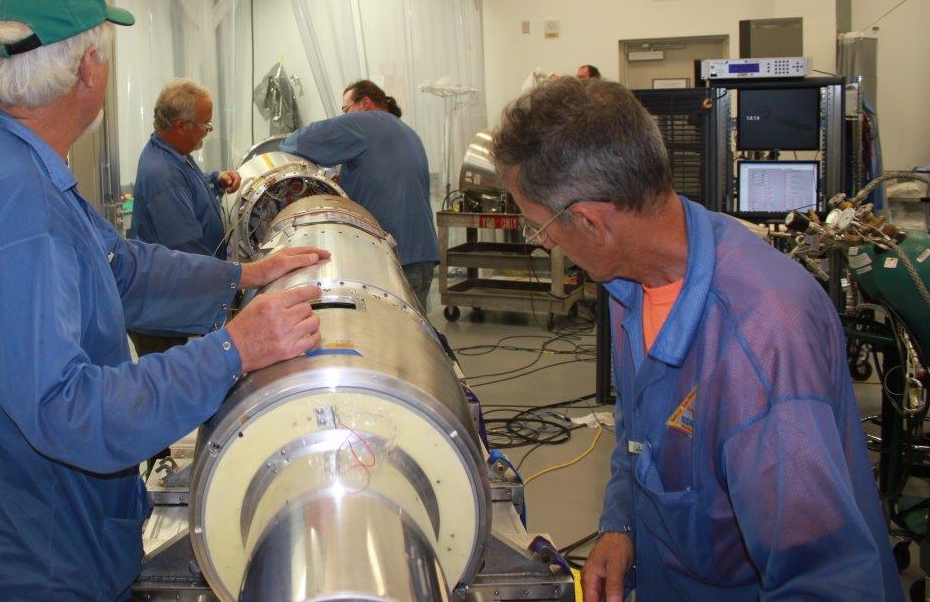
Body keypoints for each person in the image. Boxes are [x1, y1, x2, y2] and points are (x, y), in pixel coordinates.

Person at [0, 0, 327, 601]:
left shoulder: (4, 161)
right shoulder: (18, 206)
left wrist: (240, 277)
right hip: (11, 562)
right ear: (89, 68)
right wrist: (233, 350)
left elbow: (120, 267)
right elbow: (67, 410)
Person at [490, 77, 900, 602]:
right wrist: (622, 526)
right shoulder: (629, 287)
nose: (545, 243)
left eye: (540, 229)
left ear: (591, 221)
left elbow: (826, 582)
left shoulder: (762, 338)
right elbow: (640, 440)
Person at [281, 79, 439, 312]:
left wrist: (282, 144)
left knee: (388, 336)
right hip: (421, 254)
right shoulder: (406, 131)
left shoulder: (367, 123)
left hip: (393, 257)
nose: (344, 116)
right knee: (415, 339)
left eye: (345, 110)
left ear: (365, 103)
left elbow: (301, 141)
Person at [129, 79, 241, 356]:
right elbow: (187, 250)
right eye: (205, 126)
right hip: (161, 317)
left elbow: (191, 187)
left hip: (173, 306)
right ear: (181, 126)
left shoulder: (174, 155)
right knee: (170, 388)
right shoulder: (162, 174)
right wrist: (236, 279)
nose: (206, 132)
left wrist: (216, 180)